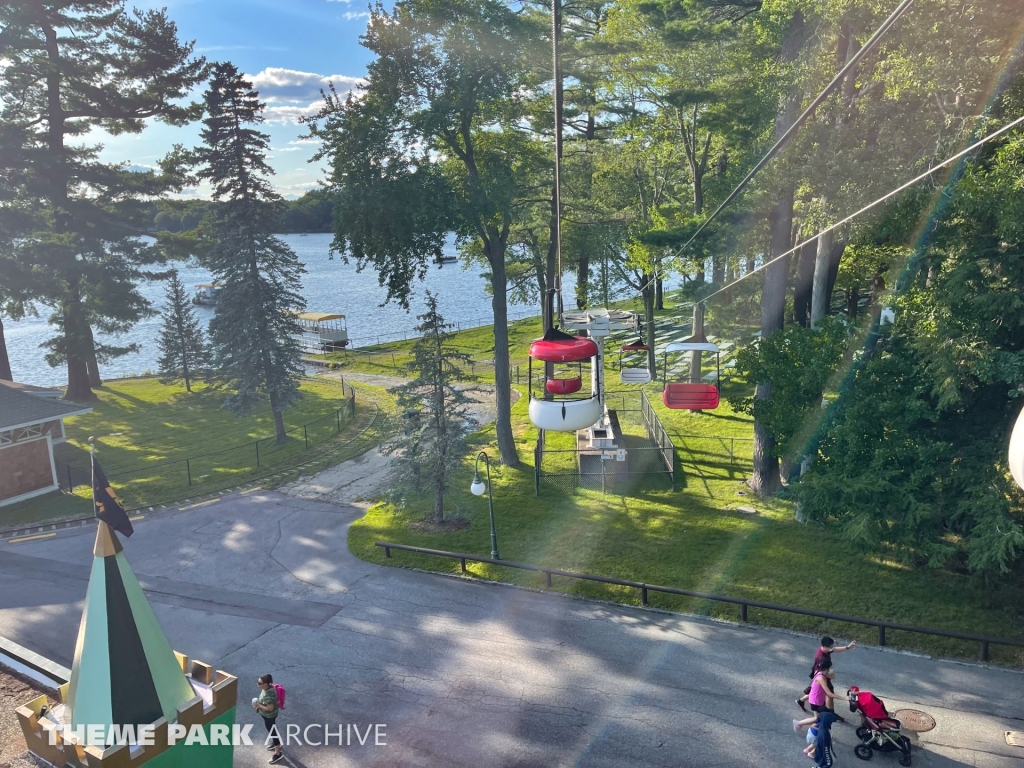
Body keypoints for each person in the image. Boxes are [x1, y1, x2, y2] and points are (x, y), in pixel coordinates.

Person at [797, 636, 856, 711]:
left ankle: (801, 700)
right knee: (830, 693)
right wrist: (831, 676)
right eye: (830, 647)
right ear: (824, 646)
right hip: (823, 676)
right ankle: (831, 712)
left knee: (817, 690)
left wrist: (848, 647)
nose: (832, 648)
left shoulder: (824, 649)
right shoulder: (821, 658)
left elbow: (834, 649)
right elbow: (823, 672)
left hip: (820, 675)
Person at [793, 661, 847, 731]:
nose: (832, 669)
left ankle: (801, 724)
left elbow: (833, 677)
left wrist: (831, 672)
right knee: (817, 717)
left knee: (820, 716)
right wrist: (845, 698)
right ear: (826, 669)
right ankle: (798, 723)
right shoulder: (821, 678)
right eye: (831, 668)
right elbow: (829, 693)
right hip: (815, 702)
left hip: (818, 699)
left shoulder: (821, 672)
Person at [255, 674, 283, 764]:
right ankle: (276, 743)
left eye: (259, 683)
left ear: (266, 684)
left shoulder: (268, 694)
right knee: (273, 729)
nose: (257, 684)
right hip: (270, 715)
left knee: (273, 732)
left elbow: (269, 708)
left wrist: (258, 705)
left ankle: (278, 753)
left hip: (269, 716)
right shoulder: (268, 688)